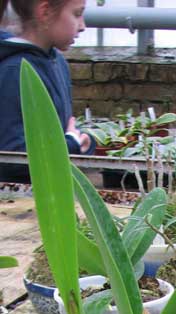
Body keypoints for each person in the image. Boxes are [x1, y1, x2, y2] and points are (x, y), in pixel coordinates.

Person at [0, 0, 96, 182]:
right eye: (76, 14)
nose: (83, 26)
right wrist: (70, 145)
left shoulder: (56, 61)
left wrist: (82, 140)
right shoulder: (14, 71)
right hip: (19, 203)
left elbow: (59, 129)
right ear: (45, 12)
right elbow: (10, 159)